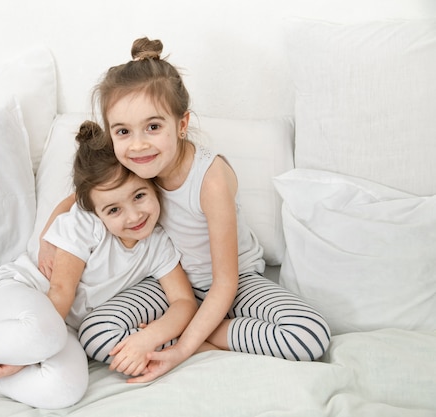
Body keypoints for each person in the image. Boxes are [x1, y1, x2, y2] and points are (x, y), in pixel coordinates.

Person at [39, 38, 331, 383]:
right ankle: (190, 334)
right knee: (93, 333)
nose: (138, 143)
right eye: (123, 131)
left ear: (180, 124)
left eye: (153, 126)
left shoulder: (210, 180)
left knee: (308, 335)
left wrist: (180, 348)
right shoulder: (135, 163)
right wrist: (49, 237)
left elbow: (225, 282)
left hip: (233, 284)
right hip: (168, 287)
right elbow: (84, 194)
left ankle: (201, 339)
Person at [0, 120, 197, 417]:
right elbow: (60, 293)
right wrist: (26, 357)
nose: (134, 215)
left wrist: (148, 338)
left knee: (67, 388)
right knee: (46, 331)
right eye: (114, 209)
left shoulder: (158, 243)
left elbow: (183, 301)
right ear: (94, 210)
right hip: (22, 295)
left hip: (62, 328)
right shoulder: (86, 225)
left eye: (139, 196)